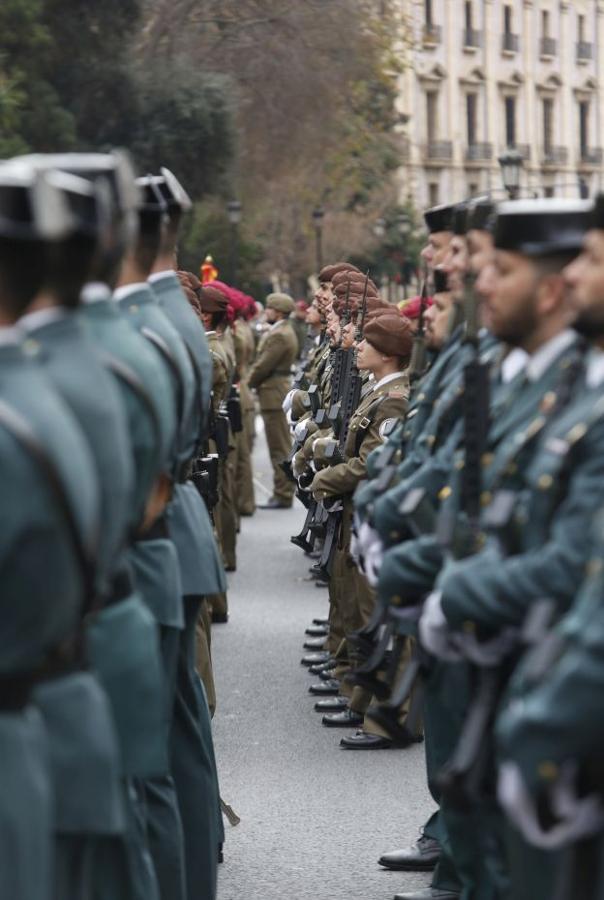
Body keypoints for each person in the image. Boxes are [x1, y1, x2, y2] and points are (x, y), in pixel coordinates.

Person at [248, 292, 298, 508]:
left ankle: (283, 492)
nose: (265, 312)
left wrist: (247, 382)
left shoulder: (280, 335)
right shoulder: (280, 331)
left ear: (277, 312)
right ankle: (282, 490)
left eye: (269, 308)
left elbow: (263, 365)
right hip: (274, 391)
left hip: (273, 392)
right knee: (279, 445)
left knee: (278, 446)